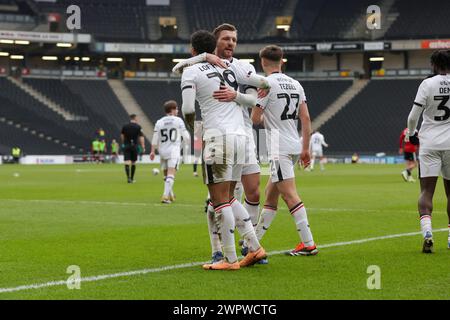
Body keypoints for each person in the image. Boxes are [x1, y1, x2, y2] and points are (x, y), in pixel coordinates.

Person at [174, 23, 263, 263]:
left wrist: (194, 127)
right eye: (226, 39)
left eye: (234, 39)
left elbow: (189, 108)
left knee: (219, 199)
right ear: (215, 45)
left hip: (218, 136)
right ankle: (254, 247)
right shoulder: (231, 70)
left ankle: (230, 259)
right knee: (231, 197)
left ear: (193, 50)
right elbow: (263, 84)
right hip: (242, 138)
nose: (231, 43)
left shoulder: (192, 71)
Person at [251, 45, 318, 256]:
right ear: (282, 61)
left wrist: (263, 112)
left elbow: (255, 118)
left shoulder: (265, 84)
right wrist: (305, 149)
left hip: (278, 146)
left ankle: (309, 244)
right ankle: (252, 243)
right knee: (271, 195)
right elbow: (305, 118)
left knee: (289, 195)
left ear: (263, 62)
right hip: (294, 144)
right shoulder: (296, 84)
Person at [406, 50, 450, 252]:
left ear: (434, 64)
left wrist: (412, 134)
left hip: (430, 142)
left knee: (426, 192)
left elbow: (413, 115)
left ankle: (427, 233)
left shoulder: (427, 84)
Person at [150, 100, 191, 204]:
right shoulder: (178, 120)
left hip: (162, 151)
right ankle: (165, 196)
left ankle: (170, 195)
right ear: (172, 110)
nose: (177, 110)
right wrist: (186, 142)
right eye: (176, 108)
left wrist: (152, 151)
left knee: (166, 175)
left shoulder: (159, 122)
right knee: (171, 174)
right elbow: (186, 136)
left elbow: (155, 138)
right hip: (173, 151)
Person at [121, 114, 145, 184]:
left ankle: (128, 178)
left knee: (127, 162)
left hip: (126, 145)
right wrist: (143, 146)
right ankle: (132, 178)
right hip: (134, 146)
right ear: (135, 118)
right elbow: (141, 137)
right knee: (133, 162)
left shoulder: (125, 126)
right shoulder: (138, 127)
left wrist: (123, 143)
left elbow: (122, 135)